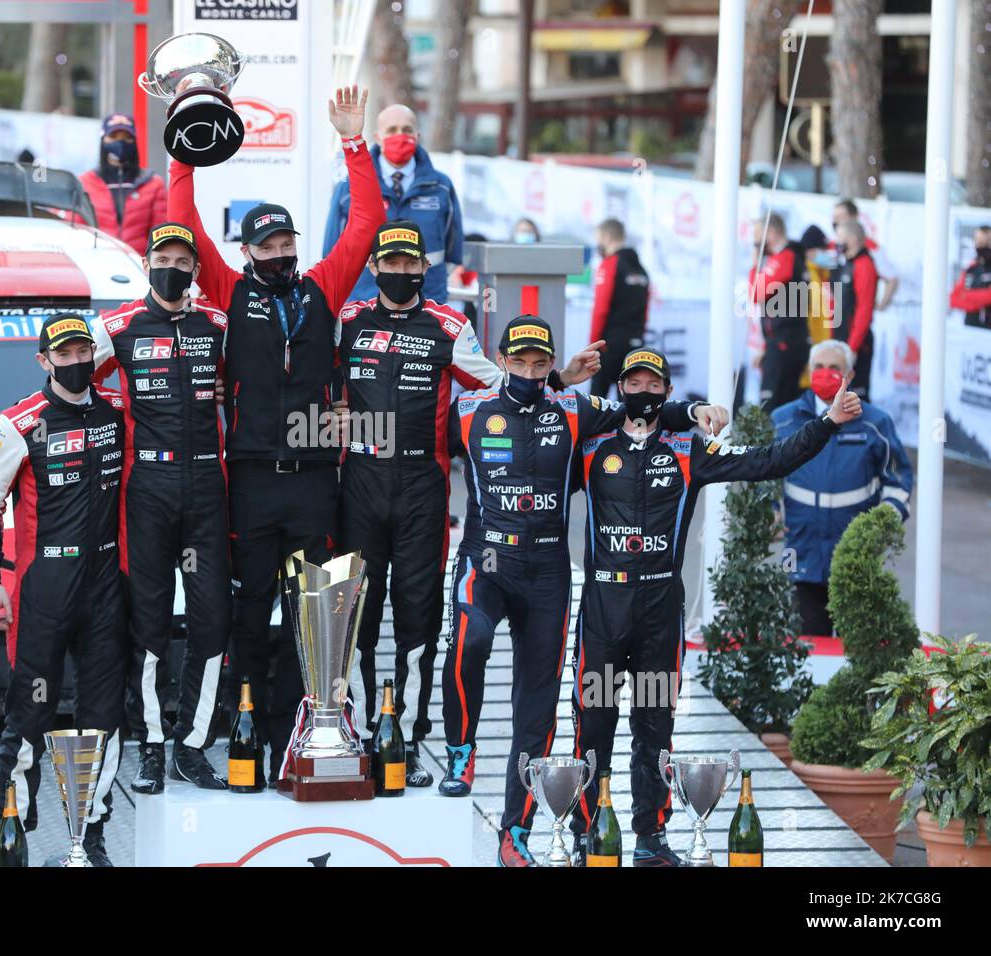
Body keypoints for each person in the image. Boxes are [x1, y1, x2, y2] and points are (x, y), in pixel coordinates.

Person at [442, 317, 723, 867]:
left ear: (551, 366)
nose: (528, 372)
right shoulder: (467, 411)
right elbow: (413, 448)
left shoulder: (577, 411)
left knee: (538, 710)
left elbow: (640, 411)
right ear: (501, 360)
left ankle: (516, 833)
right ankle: (460, 750)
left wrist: (691, 412)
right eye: (518, 362)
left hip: (548, 571)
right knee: (470, 640)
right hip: (488, 558)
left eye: (539, 364)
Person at [570, 346, 860, 867]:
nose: (641, 392)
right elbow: (538, 430)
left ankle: (651, 838)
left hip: (659, 606)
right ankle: (586, 832)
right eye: (632, 383)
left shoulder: (688, 448)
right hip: (603, 605)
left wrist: (828, 422)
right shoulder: (589, 445)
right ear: (619, 388)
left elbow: (769, 461)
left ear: (665, 392)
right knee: (594, 723)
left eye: (652, 385)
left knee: (654, 726)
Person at [168, 86, 382, 780]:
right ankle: (244, 732)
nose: (282, 251)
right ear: (247, 249)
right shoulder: (230, 291)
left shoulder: (322, 288)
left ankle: (304, 737)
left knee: (312, 619)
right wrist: (183, 153)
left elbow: (367, 225)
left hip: (317, 485)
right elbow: (184, 225)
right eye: (269, 243)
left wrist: (355, 143)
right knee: (249, 610)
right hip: (254, 483)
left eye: (289, 240)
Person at [336, 220, 503, 786]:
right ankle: (355, 729)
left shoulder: (449, 325)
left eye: (412, 266)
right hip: (358, 480)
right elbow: (306, 383)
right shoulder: (348, 322)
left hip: (421, 487)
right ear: (373, 268)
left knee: (418, 618)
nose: (402, 273)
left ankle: (403, 734)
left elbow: (500, 384)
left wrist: (557, 378)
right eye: (392, 265)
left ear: (423, 270)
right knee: (354, 615)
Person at [0, 315, 128, 866]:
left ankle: (90, 835)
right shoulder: (18, 423)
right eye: (63, 354)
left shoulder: (116, 412)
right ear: (44, 361)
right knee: (31, 712)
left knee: (104, 716)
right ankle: (9, 825)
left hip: (106, 588)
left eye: (83, 350)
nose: (76, 361)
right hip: (45, 589)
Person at [90, 224, 231, 793]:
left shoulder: (216, 325)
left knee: (212, 620)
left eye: (182, 259)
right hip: (146, 485)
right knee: (148, 623)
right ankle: (150, 742)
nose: (172, 266)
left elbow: (251, 382)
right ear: (147, 263)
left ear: (196, 270)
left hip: (205, 486)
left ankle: (192, 744)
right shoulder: (118, 327)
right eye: (162, 257)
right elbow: (70, 378)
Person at [772, 340, 912, 637]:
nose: (825, 373)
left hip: (856, 558)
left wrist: (883, 524)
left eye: (834, 368)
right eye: (819, 367)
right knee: (805, 653)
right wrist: (768, 512)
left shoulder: (875, 422)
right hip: (799, 556)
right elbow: (760, 475)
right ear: (809, 371)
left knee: (859, 653)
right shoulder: (782, 420)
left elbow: (899, 481)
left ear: (849, 374)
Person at [322, 102, 464, 304]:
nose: (400, 135)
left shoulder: (441, 187)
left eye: (407, 129)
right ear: (378, 137)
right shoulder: (351, 187)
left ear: (417, 136)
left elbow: (453, 250)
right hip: (366, 304)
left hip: (427, 304)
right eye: (392, 130)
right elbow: (332, 251)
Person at [78, 113, 166, 252]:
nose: (120, 143)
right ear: (103, 140)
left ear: (134, 141)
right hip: (97, 262)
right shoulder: (85, 183)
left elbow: (161, 236)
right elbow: (78, 232)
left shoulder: (154, 184)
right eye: (113, 137)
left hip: (140, 266)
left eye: (127, 138)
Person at [749, 213, 810, 411]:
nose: (755, 242)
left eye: (758, 236)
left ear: (771, 233)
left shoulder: (785, 257)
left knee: (770, 408)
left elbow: (755, 293)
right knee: (784, 406)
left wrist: (755, 264)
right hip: (784, 342)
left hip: (785, 345)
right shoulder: (791, 256)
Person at [588, 218, 650, 401]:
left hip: (608, 347)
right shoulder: (641, 269)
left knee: (596, 404)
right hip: (635, 345)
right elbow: (645, 311)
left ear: (606, 237)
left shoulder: (609, 265)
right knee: (628, 404)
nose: (598, 244)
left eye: (598, 238)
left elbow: (600, 309)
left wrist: (593, 344)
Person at [829, 219, 879, 400]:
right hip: (841, 341)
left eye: (841, 238)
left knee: (856, 399)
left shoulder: (864, 265)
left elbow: (864, 310)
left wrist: (853, 347)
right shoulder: (845, 264)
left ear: (854, 239)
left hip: (856, 344)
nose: (837, 242)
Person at [832, 199, 898, 311]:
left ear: (854, 217)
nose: (836, 221)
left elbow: (892, 279)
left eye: (841, 216)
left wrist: (881, 306)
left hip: (856, 316)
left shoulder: (871, 248)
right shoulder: (832, 244)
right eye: (835, 217)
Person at [950, 225, 991, 329]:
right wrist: (981, 300)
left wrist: (968, 296)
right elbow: (954, 299)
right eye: (979, 241)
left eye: (987, 242)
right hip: (971, 332)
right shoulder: (970, 268)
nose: (982, 245)